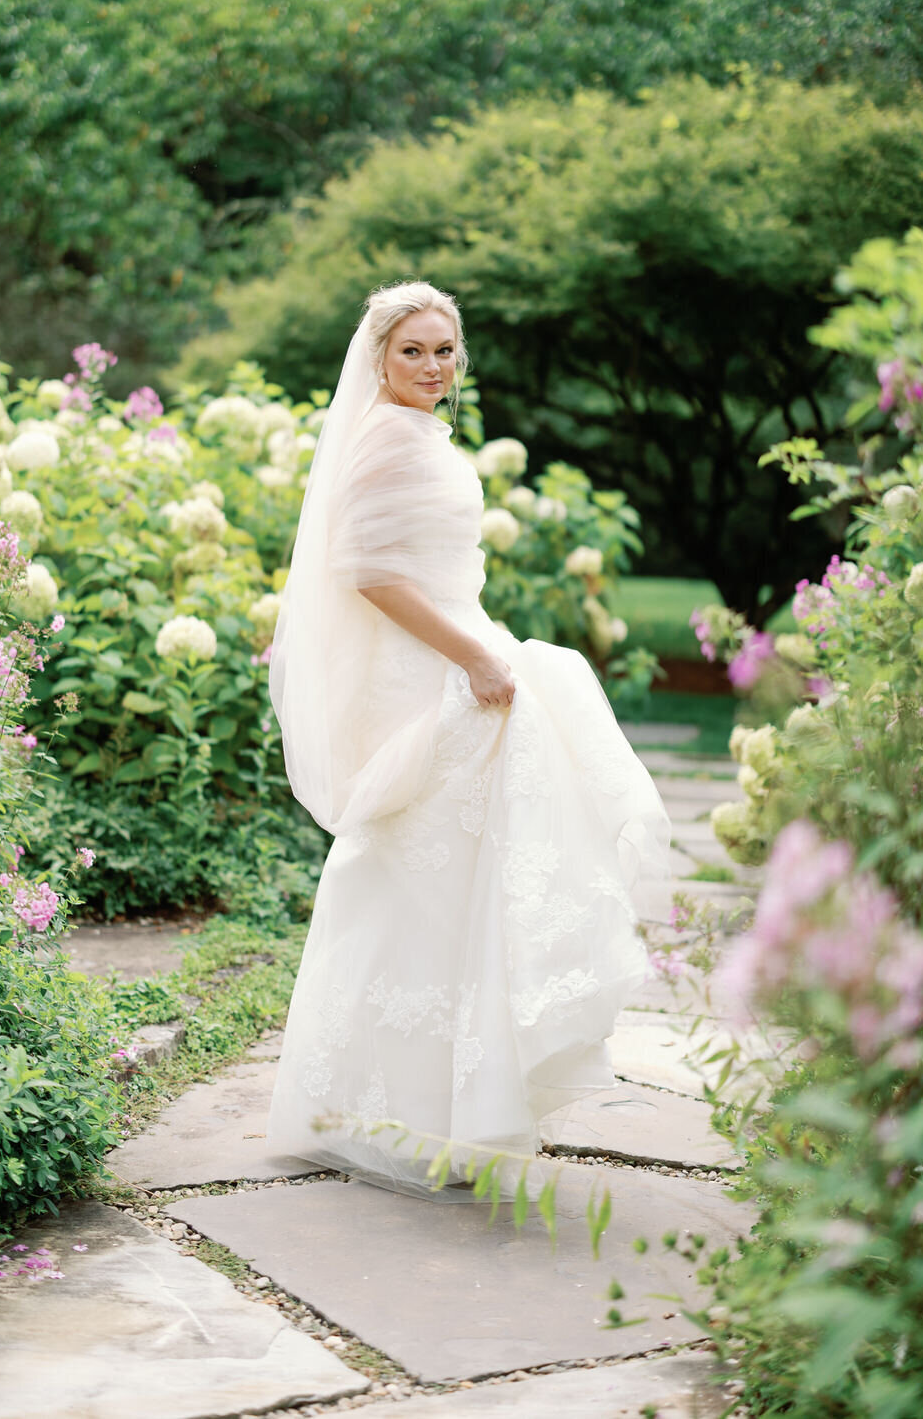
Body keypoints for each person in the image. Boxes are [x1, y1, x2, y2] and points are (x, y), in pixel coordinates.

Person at [264, 280, 671, 1199]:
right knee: (415, 872)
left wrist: (481, 647)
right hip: (430, 672)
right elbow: (368, 575)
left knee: (462, 881)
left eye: (445, 349)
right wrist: (475, 662)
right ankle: (395, 1108)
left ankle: (459, 1102)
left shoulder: (422, 435)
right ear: (380, 358)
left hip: (459, 649)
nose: (434, 365)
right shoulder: (380, 442)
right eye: (414, 350)